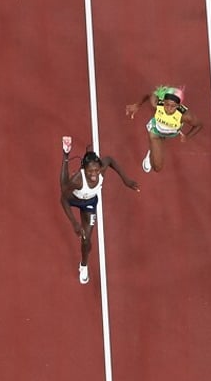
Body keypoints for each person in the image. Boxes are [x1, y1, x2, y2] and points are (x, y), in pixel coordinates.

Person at [59, 137, 139, 284]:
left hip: (89, 203)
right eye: (90, 171)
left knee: (86, 240)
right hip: (74, 199)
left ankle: (83, 265)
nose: (94, 174)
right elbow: (63, 198)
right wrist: (74, 223)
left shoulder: (101, 170)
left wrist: (125, 180)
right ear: (84, 170)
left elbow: (110, 160)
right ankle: (65, 155)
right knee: (64, 186)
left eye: (96, 170)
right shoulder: (78, 179)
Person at [125, 86, 203, 174]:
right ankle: (151, 151)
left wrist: (187, 137)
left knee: (163, 141)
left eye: (173, 106)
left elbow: (199, 125)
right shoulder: (156, 104)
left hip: (171, 133)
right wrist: (137, 105)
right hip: (156, 132)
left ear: (178, 105)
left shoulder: (185, 116)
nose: (169, 109)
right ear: (164, 101)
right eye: (167, 104)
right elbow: (149, 95)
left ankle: (155, 148)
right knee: (157, 168)